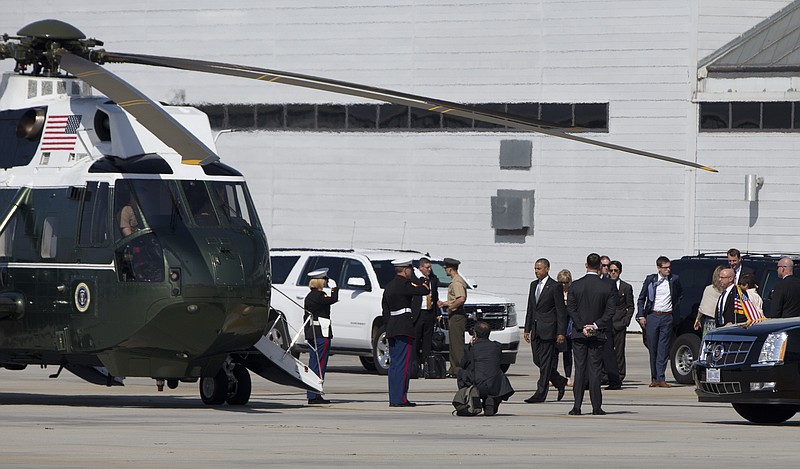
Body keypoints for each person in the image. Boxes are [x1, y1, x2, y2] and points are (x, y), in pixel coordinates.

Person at [566, 253, 616, 416]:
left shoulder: (576, 286)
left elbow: (571, 309)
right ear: (600, 266)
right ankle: (596, 406)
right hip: (597, 333)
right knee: (595, 370)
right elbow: (610, 311)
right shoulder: (607, 286)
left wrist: (581, 326)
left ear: (586, 265)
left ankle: (577, 406)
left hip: (579, 334)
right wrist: (595, 325)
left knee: (579, 370)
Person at [382, 257, 430, 407]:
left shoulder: (389, 286)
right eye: (410, 268)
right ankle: (400, 399)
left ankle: (394, 397)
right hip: (404, 327)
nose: (411, 271)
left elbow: (385, 310)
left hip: (392, 327)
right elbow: (424, 291)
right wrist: (423, 279)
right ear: (405, 270)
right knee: (403, 364)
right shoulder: (404, 284)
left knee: (395, 365)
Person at [522, 258, 567, 403]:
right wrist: (527, 328)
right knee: (538, 360)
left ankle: (540, 393)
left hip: (549, 329)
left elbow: (561, 311)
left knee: (546, 362)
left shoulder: (555, 286)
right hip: (536, 329)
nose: (536, 272)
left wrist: (561, 332)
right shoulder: (533, 285)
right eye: (535, 269)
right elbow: (531, 307)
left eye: (539, 269)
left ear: (547, 269)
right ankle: (559, 380)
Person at [636, 255, 682, 388]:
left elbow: (680, 293)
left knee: (663, 348)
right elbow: (641, 299)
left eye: (669, 267)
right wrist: (641, 315)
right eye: (665, 268)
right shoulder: (651, 280)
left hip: (667, 316)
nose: (668, 270)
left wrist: (674, 307)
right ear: (659, 268)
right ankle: (654, 377)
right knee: (653, 347)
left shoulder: (674, 279)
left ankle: (661, 377)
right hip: (652, 316)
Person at [457, 321, 515, 416]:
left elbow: (463, 364)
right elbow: (499, 361)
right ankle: (491, 400)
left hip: (477, 384)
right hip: (494, 384)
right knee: (497, 374)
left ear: (475, 334)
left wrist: (470, 347)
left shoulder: (472, 348)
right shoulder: (496, 346)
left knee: (460, 373)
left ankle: (471, 400)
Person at [304, 268, 339, 404]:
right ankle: (314, 394)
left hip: (313, 332)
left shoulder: (310, 296)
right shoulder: (319, 296)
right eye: (324, 280)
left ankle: (313, 393)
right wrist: (335, 288)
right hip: (321, 333)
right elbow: (333, 299)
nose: (326, 282)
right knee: (319, 364)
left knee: (314, 364)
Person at [438, 257, 467, 378]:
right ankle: (454, 368)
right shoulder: (456, 281)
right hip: (454, 315)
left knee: (457, 344)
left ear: (450, 269)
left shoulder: (456, 282)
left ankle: (459, 368)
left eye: (446, 268)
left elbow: (461, 298)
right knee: (453, 343)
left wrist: (451, 307)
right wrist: (445, 303)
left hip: (457, 315)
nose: (445, 270)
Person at [413, 257, 440, 375]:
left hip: (429, 312)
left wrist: (437, 313)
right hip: (418, 312)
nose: (429, 270)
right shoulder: (416, 279)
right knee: (416, 339)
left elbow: (435, 297)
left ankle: (427, 365)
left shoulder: (432, 280)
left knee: (427, 340)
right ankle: (415, 365)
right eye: (427, 267)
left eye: (430, 267)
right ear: (421, 267)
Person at [609, 260, 634, 384]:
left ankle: (620, 375)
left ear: (620, 272)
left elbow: (630, 306)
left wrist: (626, 320)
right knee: (606, 351)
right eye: (611, 270)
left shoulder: (626, 287)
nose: (613, 273)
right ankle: (606, 375)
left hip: (620, 323)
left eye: (616, 271)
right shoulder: (604, 285)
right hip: (607, 324)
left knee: (619, 352)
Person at [693, 265, 724, 337]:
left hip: (709, 321)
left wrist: (698, 318)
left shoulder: (709, 288)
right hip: (720, 321)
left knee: (708, 341)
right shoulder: (728, 290)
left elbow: (702, 307)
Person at [555, 269, 574, 386]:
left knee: (568, 353)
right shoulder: (556, 292)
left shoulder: (572, 292)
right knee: (555, 353)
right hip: (558, 325)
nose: (564, 285)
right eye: (561, 282)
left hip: (569, 325)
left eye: (566, 282)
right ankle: (554, 376)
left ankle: (568, 376)